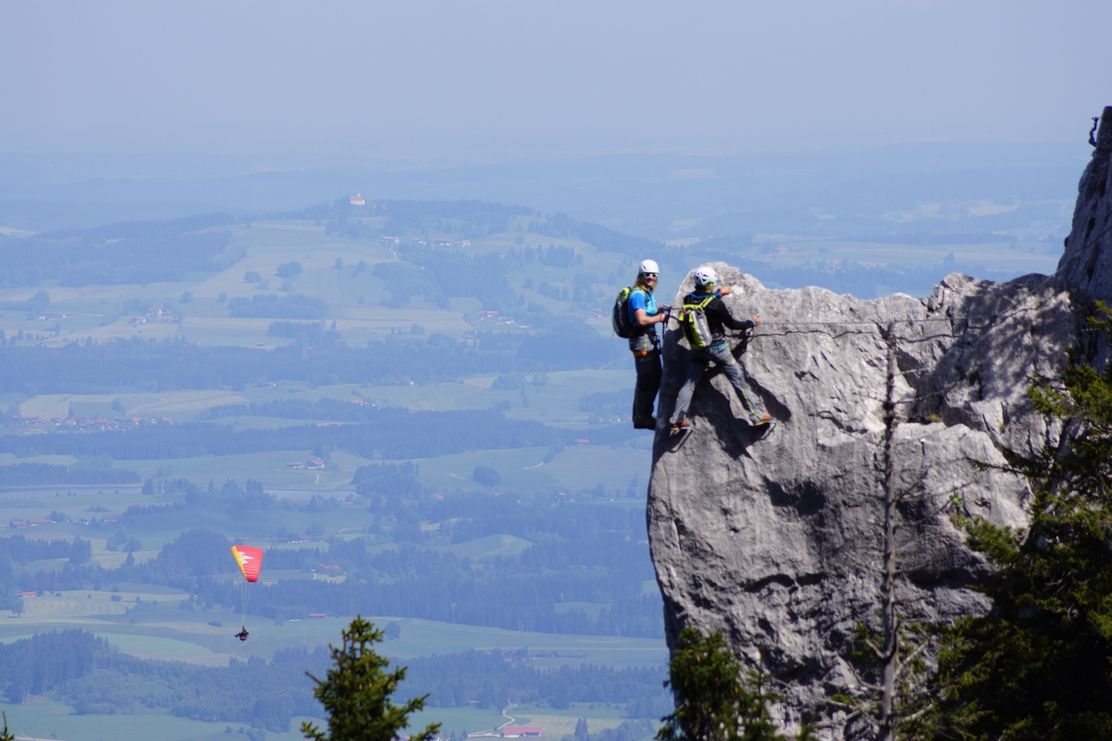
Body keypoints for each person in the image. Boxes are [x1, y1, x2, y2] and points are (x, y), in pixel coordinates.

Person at [670, 266, 771, 430]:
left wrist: (718, 293)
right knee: (738, 380)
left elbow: (703, 301)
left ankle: (677, 419)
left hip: (697, 349)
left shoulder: (688, 300)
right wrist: (752, 323)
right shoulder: (717, 305)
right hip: (718, 349)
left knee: (689, 384)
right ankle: (758, 415)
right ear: (709, 284)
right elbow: (732, 324)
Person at [627, 259, 669, 429]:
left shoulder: (646, 293)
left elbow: (646, 313)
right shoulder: (638, 294)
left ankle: (642, 415)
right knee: (647, 379)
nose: (651, 277)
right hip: (642, 342)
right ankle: (642, 417)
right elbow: (641, 318)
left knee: (652, 378)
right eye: (648, 275)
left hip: (646, 341)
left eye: (654, 275)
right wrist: (659, 318)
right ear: (641, 275)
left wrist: (658, 309)